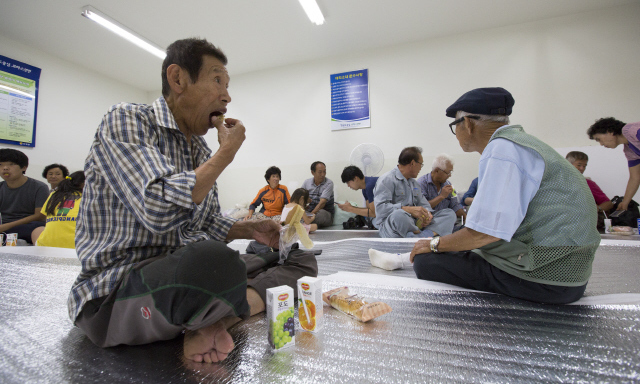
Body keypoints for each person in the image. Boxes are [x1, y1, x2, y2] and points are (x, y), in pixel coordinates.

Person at [68, 38, 317, 364]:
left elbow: (205, 222)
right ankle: (221, 309)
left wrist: (251, 230)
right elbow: (158, 212)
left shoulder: (197, 150)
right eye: (217, 80)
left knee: (300, 259)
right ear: (178, 79)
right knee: (214, 262)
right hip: (115, 292)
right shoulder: (127, 121)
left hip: (181, 273)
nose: (227, 96)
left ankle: (215, 318)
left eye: (228, 86)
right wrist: (225, 154)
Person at [406, 87, 599, 304]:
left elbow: (483, 234)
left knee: (426, 261)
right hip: (571, 272)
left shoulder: (501, 151)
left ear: (467, 124)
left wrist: (434, 245)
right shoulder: (525, 144)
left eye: (455, 126)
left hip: (545, 277)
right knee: (450, 234)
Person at [372, 146, 456, 238]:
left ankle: (418, 237)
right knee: (399, 215)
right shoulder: (387, 180)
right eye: (421, 164)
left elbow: (425, 205)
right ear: (412, 163)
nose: (421, 168)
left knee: (449, 214)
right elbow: (380, 209)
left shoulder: (414, 184)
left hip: (414, 224)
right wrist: (407, 209)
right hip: (393, 225)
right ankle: (422, 235)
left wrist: (427, 215)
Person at [587, 117, 640, 212]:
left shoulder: (633, 130)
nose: (601, 144)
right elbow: (634, 177)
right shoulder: (630, 150)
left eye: (599, 139)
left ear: (610, 131)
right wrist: (625, 202)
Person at [0, 148, 48, 243]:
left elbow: (40, 215)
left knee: (37, 228)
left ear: (24, 167)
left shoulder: (39, 187)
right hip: (4, 226)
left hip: (29, 226)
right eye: (0, 165)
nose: (5, 168)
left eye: (11, 164)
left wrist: (7, 226)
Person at [32, 171, 85, 248]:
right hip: (77, 248)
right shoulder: (89, 197)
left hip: (48, 247)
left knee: (38, 230)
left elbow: (47, 220)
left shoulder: (54, 195)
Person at [417, 154, 466, 222]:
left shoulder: (448, 184)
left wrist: (466, 217)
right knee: (449, 214)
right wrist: (441, 196)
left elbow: (455, 206)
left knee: (451, 214)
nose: (450, 175)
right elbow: (421, 208)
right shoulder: (421, 183)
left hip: (444, 222)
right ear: (437, 170)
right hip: (427, 222)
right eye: (448, 172)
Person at [301, 161, 335, 228]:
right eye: (320, 172)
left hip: (325, 214)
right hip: (310, 212)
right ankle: (309, 224)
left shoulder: (329, 183)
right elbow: (300, 198)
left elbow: (322, 203)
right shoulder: (307, 182)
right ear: (312, 172)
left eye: (324, 171)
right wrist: (305, 203)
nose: (323, 174)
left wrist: (310, 215)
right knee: (295, 212)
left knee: (321, 214)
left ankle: (305, 223)